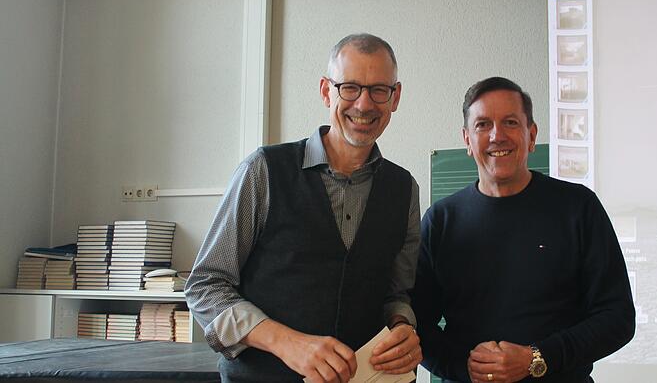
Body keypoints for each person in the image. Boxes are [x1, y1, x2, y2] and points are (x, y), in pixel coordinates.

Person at [185, 33, 422, 383]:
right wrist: (285, 342)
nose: (364, 104)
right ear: (327, 91)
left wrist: (403, 326)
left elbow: (395, 293)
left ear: (395, 97)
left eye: (378, 90)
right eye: (350, 87)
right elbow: (205, 286)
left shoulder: (405, 189)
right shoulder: (263, 170)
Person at [413, 77, 634, 383]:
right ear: (467, 139)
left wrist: (536, 357)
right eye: (482, 125)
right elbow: (417, 325)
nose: (496, 135)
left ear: (531, 135)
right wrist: (465, 369)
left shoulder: (578, 207)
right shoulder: (441, 220)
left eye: (510, 122)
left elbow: (617, 318)